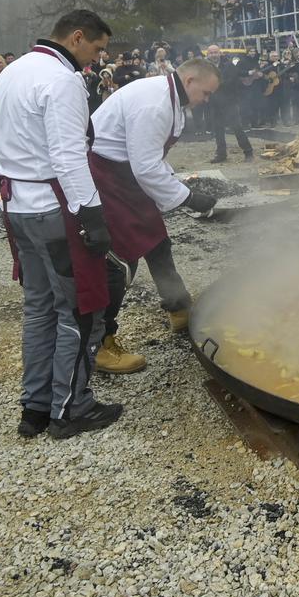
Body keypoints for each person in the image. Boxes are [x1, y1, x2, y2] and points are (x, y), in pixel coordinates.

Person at [0, 11, 118, 440]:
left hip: (18, 207)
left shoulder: (11, 71)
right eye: (96, 49)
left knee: (38, 309)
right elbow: (67, 155)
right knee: (80, 312)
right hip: (53, 209)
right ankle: (71, 408)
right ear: (76, 37)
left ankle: (35, 408)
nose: (97, 59)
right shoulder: (62, 80)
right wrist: (92, 215)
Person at [89, 59, 222, 374]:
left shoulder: (171, 96)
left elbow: (150, 159)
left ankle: (179, 308)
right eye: (206, 92)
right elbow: (146, 167)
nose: (207, 99)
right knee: (120, 261)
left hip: (126, 177)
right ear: (189, 80)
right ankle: (99, 343)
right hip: (108, 178)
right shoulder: (155, 104)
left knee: (157, 242)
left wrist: (176, 185)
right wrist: (188, 198)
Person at [205, 45, 255, 163]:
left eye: (215, 52)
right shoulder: (206, 68)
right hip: (214, 103)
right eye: (211, 53)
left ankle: (248, 152)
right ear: (207, 55)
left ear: (220, 53)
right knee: (218, 130)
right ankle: (221, 154)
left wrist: (214, 85)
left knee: (237, 128)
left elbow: (232, 81)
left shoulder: (228, 65)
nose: (213, 55)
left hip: (229, 102)